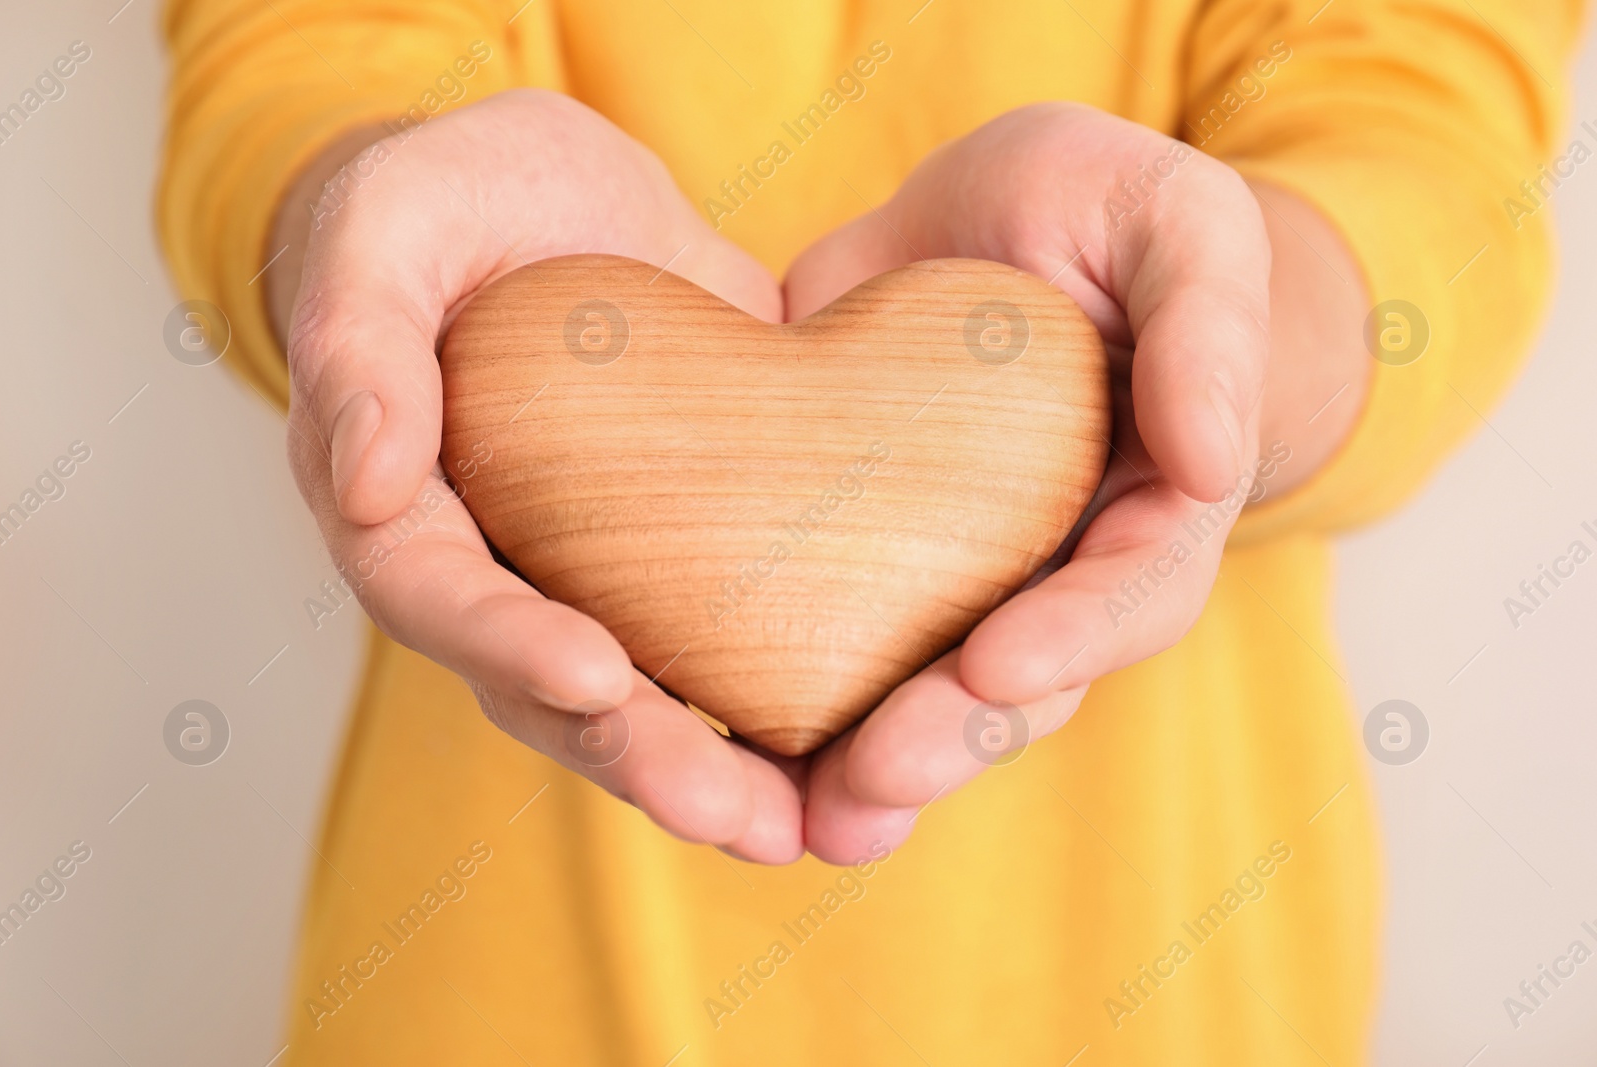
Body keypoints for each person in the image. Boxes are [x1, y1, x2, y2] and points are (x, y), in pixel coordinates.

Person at [158, 1, 1580, 1063]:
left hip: (1167, 984)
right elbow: (297, 52)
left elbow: (1425, 126)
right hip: (485, 999)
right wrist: (363, 246)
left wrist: (1218, 340)